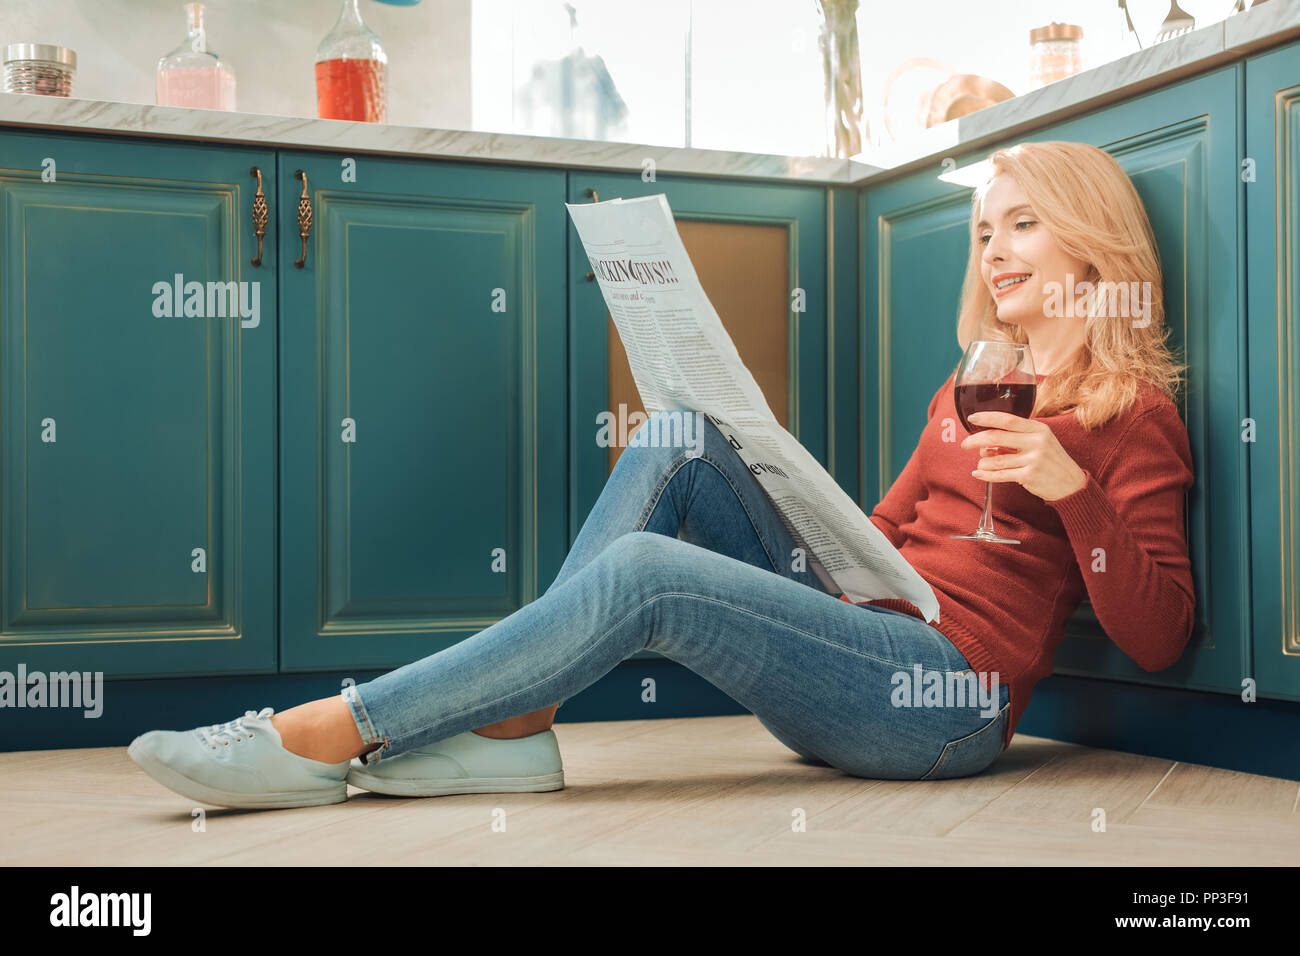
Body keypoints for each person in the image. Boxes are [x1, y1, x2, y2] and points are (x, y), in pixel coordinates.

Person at [129, 140, 1195, 810]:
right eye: (982, 229)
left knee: (646, 572)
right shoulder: (963, 386)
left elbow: (1158, 632)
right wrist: (800, 530)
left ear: (1094, 247)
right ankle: (515, 726)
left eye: (1022, 222)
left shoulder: (1131, 415)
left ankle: (330, 730)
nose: (994, 249)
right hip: (864, 640)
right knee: (682, 435)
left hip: (941, 708)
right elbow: (883, 532)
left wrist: (1070, 487)